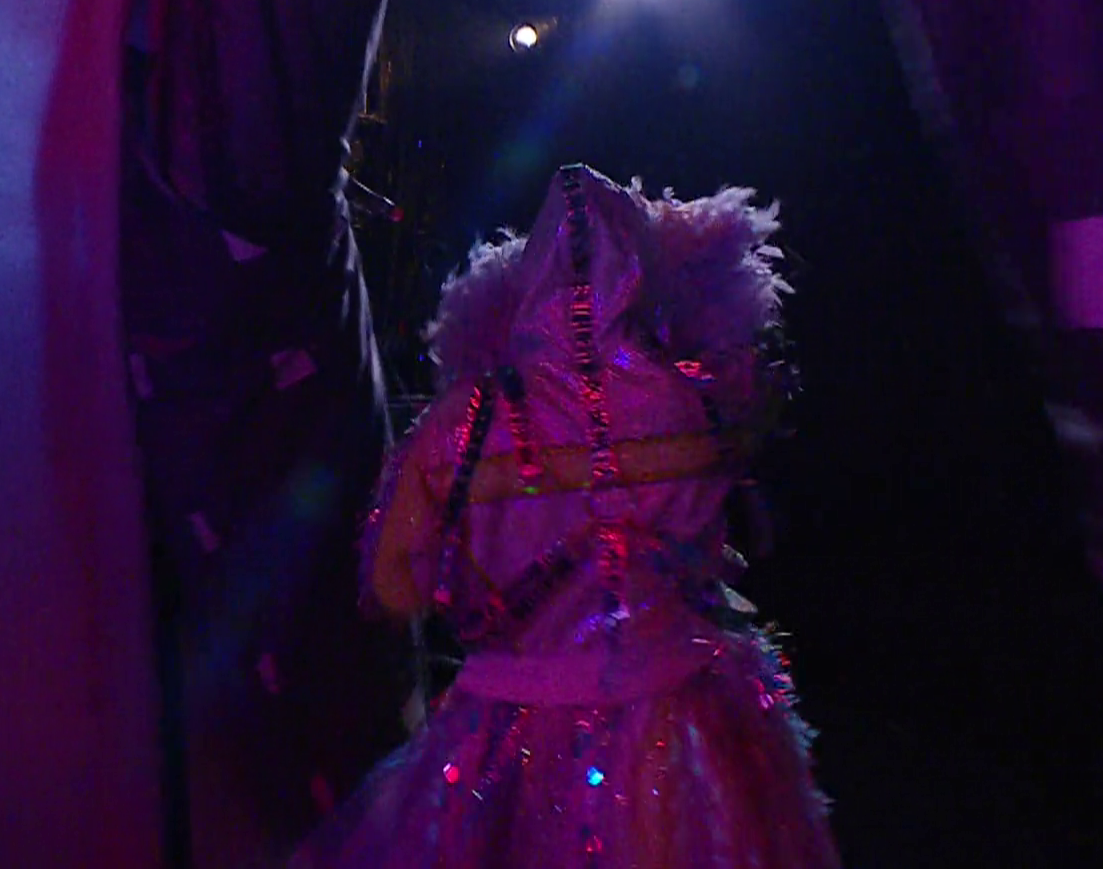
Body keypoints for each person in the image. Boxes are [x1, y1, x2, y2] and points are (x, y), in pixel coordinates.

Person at [291, 165, 840, 868]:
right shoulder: (698, 405)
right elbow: (737, 539)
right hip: (679, 725)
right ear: (639, 271)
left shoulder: (466, 423)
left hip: (506, 735)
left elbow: (394, 589)